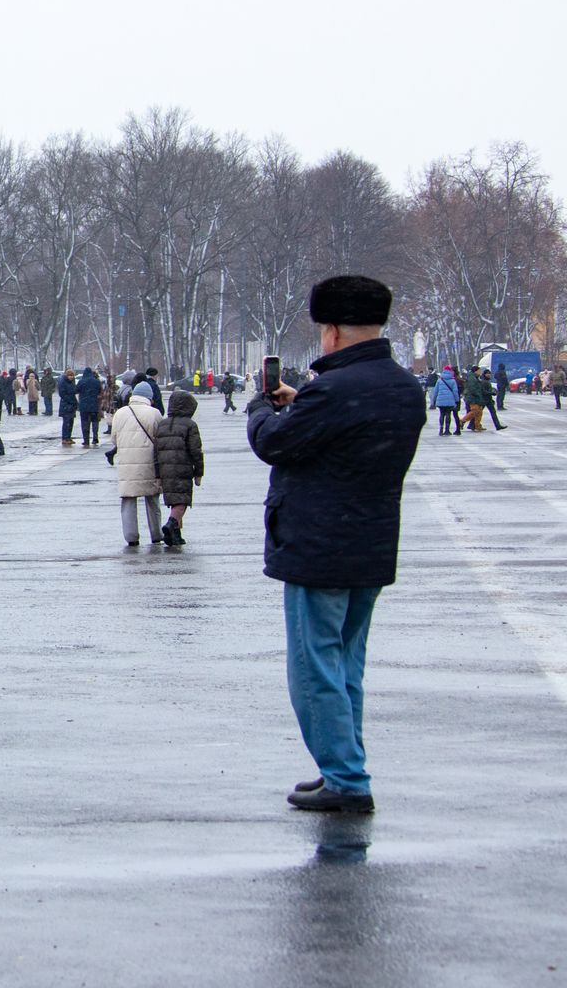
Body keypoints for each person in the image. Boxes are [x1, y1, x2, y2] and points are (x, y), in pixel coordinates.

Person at [247, 275, 424, 814]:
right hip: (369, 544)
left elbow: (274, 442)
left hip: (317, 545)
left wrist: (262, 407)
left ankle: (345, 778)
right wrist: (304, 402)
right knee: (347, 665)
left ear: (334, 332)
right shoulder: (400, 386)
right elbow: (347, 433)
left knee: (313, 667)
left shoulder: (335, 391)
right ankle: (346, 766)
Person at [107, 388, 163, 545]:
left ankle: (131, 537)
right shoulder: (154, 413)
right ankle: (156, 533)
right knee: (152, 499)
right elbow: (160, 438)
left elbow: (114, 439)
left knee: (128, 499)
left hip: (127, 464)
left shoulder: (120, 413)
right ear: (148, 397)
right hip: (149, 463)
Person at [153, 392, 205, 546]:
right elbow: (196, 450)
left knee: (173, 500)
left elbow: (155, 451)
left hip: (164, 469)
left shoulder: (162, 424)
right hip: (183, 467)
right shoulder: (190, 425)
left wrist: (157, 473)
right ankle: (171, 524)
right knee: (181, 501)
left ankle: (175, 535)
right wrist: (199, 472)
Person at [76, 366, 104, 446]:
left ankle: (86, 440)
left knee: (85, 423)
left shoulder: (81, 381)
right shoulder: (96, 381)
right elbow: (100, 391)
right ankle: (95, 437)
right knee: (95, 422)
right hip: (94, 405)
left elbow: (76, 390)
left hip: (84, 406)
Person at [431, 365, 462, 435]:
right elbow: (455, 392)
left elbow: (435, 391)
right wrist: (456, 400)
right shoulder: (453, 380)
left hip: (440, 400)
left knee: (441, 414)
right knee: (448, 414)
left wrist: (434, 400)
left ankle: (441, 429)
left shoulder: (439, 380)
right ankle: (447, 430)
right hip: (450, 400)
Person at [57, 369, 79, 445]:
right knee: (66, 422)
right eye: (70, 375)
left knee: (70, 422)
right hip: (66, 405)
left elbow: (74, 391)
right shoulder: (63, 382)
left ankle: (68, 437)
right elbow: (62, 394)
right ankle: (65, 438)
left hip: (71, 405)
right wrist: (70, 401)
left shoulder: (72, 382)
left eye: (72, 376)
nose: (71, 377)